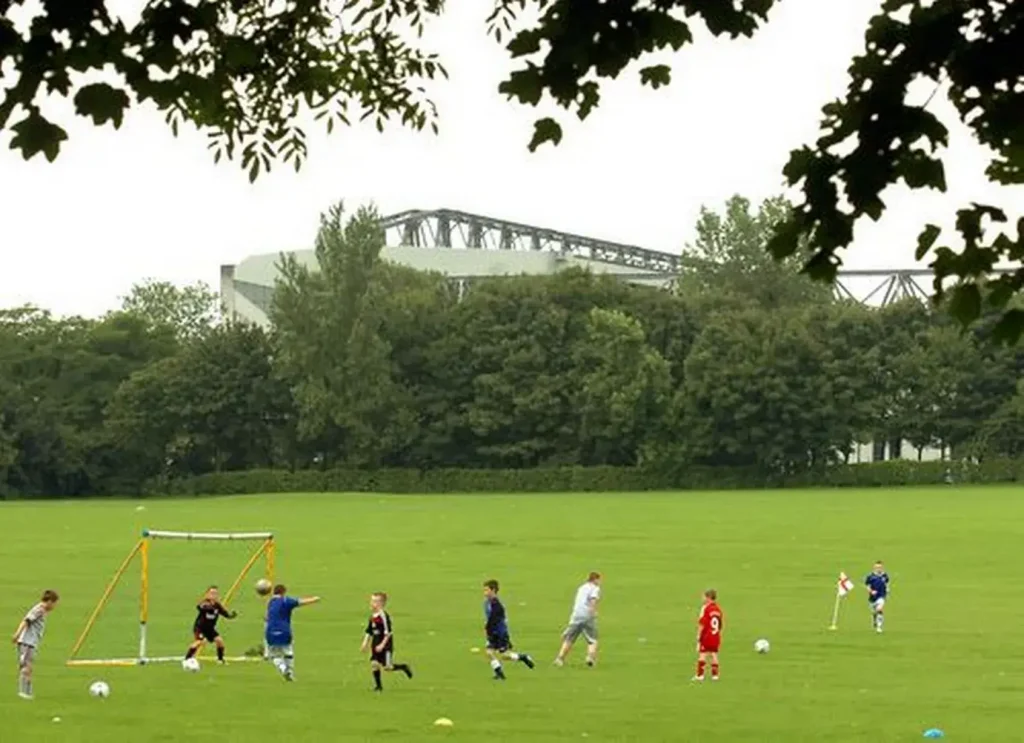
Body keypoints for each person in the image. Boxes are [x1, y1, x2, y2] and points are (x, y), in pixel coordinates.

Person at [264, 583, 320, 681]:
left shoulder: (270, 602)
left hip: (270, 631)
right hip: (284, 630)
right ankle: (289, 672)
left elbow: (266, 617)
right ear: (284, 592)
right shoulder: (286, 600)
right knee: (288, 652)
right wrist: (315, 599)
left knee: (275, 655)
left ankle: (282, 669)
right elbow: (301, 602)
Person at [482, 579, 535, 680]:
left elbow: (495, 620)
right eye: (484, 590)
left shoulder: (497, 605)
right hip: (492, 633)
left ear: (493, 590)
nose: (484, 593)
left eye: (486, 590)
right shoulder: (486, 603)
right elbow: (489, 619)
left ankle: (523, 657)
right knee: (489, 652)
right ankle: (499, 674)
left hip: (500, 634)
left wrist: (488, 629)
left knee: (505, 656)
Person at [11, 589, 59, 700]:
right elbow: (26, 621)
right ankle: (24, 693)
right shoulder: (39, 610)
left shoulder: (41, 610)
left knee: (28, 667)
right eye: (55, 604)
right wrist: (17, 634)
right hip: (27, 642)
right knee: (26, 667)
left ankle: (27, 693)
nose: (54, 607)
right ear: (50, 601)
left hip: (30, 642)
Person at [360, 592, 413, 691]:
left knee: (387, 667)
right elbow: (369, 631)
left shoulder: (383, 616)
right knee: (374, 664)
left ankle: (404, 667)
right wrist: (365, 643)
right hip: (375, 643)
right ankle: (378, 686)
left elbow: (388, 633)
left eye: (375, 601)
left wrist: (382, 645)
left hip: (385, 645)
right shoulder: (372, 616)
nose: (372, 603)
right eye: (372, 601)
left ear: (381, 603)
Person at [554, 571, 601, 667]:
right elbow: (593, 600)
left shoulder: (582, 587)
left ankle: (560, 659)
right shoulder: (595, 588)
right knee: (592, 639)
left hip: (576, 614)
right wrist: (593, 612)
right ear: (595, 579)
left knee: (569, 639)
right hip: (587, 615)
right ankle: (590, 658)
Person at [184, 586, 236, 664]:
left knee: (219, 641)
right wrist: (208, 608)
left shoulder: (217, 605)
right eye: (211, 593)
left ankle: (220, 659)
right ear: (207, 594)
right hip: (200, 627)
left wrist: (230, 616)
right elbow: (199, 606)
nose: (213, 595)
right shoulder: (205, 603)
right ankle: (187, 659)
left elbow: (224, 613)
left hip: (210, 629)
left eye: (215, 593)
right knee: (199, 642)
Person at [693, 589, 723, 682]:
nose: (702, 598)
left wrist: (698, 636)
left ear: (708, 598)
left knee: (703, 654)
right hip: (716, 635)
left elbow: (702, 624)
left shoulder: (707, 609)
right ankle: (715, 676)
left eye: (704, 597)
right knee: (714, 654)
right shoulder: (718, 609)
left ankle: (700, 675)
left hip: (707, 635)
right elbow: (720, 624)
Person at [865, 561, 890, 633]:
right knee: (874, 612)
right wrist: (871, 591)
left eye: (880, 567)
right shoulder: (870, 576)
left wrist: (888, 590)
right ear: (874, 568)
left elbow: (887, 584)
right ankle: (874, 619)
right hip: (872, 598)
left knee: (879, 609)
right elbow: (867, 586)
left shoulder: (885, 576)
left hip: (881, 596)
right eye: (877, 567)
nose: (879, 569)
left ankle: (879, 627)